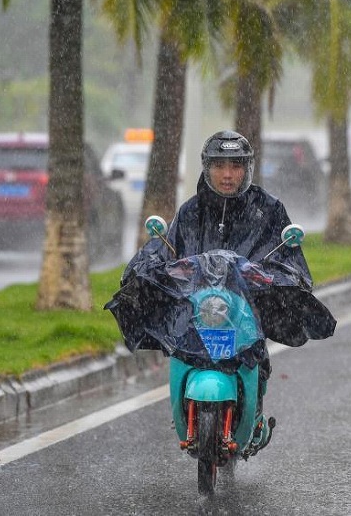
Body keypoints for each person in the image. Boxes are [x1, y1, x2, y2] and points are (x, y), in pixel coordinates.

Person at [107, 130, 335, 449]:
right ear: (206, 167)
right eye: (219, 165)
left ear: (247, 168)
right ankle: (183, 407)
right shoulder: (190, 211)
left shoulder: (268, 209)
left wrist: (276, 276)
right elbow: (169, 250)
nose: (227, 174)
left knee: (258, 348)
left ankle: (254, 414)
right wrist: (150, 268)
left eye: (236, 165)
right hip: (198, 308)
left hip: (244, 307)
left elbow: (285, 254)